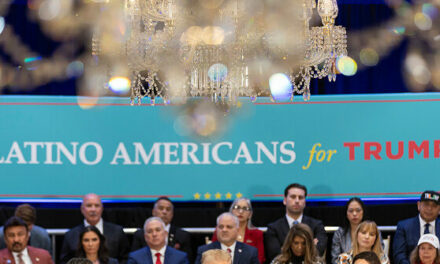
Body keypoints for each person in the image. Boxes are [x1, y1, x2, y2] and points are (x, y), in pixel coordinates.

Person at [265, 183, 327, 262]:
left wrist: (285, 248)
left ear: (305, 202)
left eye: (300, 197)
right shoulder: (273, 228)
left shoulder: (317, 225)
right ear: (284, 200)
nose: (297, 201)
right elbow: (275, 254)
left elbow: (319, 250)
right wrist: (310, 245)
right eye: (293, 197)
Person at [60, 193, 130, 264]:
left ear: (102, 209)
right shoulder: (70, 235)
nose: (93, 209)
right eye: (89, 206)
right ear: (82, 209)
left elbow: (125, 259)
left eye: (97, 206)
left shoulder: (117, 232)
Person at [212, 198, 265, 263]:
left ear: (250, 214)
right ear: (231, 211)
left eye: (245, 208)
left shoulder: (257, 233)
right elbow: (212, 253)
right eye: (237, 207)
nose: (240, 211)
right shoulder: (221, 230)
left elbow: (259, 258)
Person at [393, 190, 440, 264]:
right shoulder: (404, 226)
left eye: (434, 206)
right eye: (426, 204)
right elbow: (399, 255)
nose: (429, 209)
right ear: (419, 205)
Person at [195, 213, 259, 264]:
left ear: (237, 230)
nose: (224, 230)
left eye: (229, 227)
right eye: (221, 227)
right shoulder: (204, 251)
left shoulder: (250, 252)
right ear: (216, 229)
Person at [332, 198, 373, 264]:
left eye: (358, 210)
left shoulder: (372, 230)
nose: (354, 214)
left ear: (363, 212)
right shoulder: (339, 233)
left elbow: (378, 252)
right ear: (346, 213)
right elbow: (335, 259)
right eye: (351, 211)